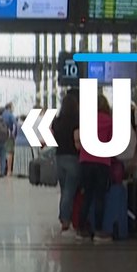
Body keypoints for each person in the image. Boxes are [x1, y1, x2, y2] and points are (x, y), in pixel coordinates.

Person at [74, 92, 115, 242]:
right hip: (102, 163)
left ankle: (80, 229)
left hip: (85, 162)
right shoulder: (110, 121)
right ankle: (98, 231)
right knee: (99, 197)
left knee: (87, 196)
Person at [51, 88, 82, 233]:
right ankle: (65, 218)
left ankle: (64, 217)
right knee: (70, 190)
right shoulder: (78, 120)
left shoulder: (57, 121)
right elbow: (78, 140)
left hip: (59, 157)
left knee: (64, 189)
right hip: (73, 158)